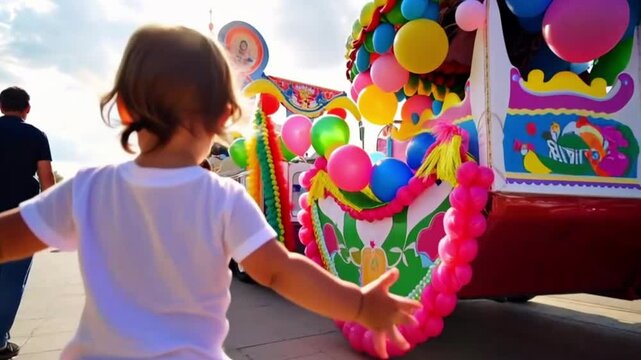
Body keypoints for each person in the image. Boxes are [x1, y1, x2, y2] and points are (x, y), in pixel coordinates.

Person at [0, 25, 420, 360]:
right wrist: (360, 305)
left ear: (126, 109)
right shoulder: (223, 199)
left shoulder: (88, 189)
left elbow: (9, 236)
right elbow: (280, 270)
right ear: (223, 116)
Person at [0, 86, 55, 360]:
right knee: (11, 281)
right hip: (21, 219)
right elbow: (46, 180)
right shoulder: (36, 136)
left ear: (1, 107)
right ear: (26, 109)